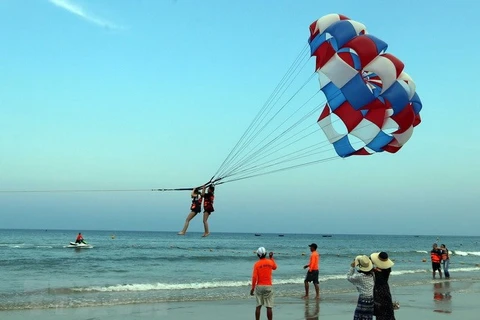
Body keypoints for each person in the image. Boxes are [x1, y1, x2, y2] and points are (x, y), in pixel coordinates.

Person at [250, 247, 277, 320]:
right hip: (268, 286)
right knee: (269, 306)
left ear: (258, 255)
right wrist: (271, 258)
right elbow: (275, 267)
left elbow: (254, 277)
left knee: (258, 306)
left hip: (259, 286)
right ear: (265, 254)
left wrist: (252, 288)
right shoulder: (270, 262)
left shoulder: (256, 264)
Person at [347, 255, 375, 320]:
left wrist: (352, 267)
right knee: (368, 317)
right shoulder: (373, 274)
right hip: (371, 299)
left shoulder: (359, 276)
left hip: (363, 299)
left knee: (359, 317)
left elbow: (349, 277)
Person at [370, 252, 396, 320]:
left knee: (380, 310)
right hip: (385, 288)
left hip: (378, 290)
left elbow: (369, 265)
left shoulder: (377, 271)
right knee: (388, 309)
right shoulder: (388, 269)